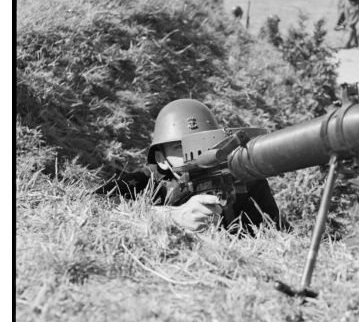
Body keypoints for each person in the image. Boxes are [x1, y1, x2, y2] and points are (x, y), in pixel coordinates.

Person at [97, 99, 288, 234]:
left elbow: (279, 232)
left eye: (203, 142)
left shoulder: (244, 180)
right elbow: (94, 203)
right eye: (180, 147)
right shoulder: (147, 182)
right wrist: (172, 215)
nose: (195, 153)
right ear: (161, 158)